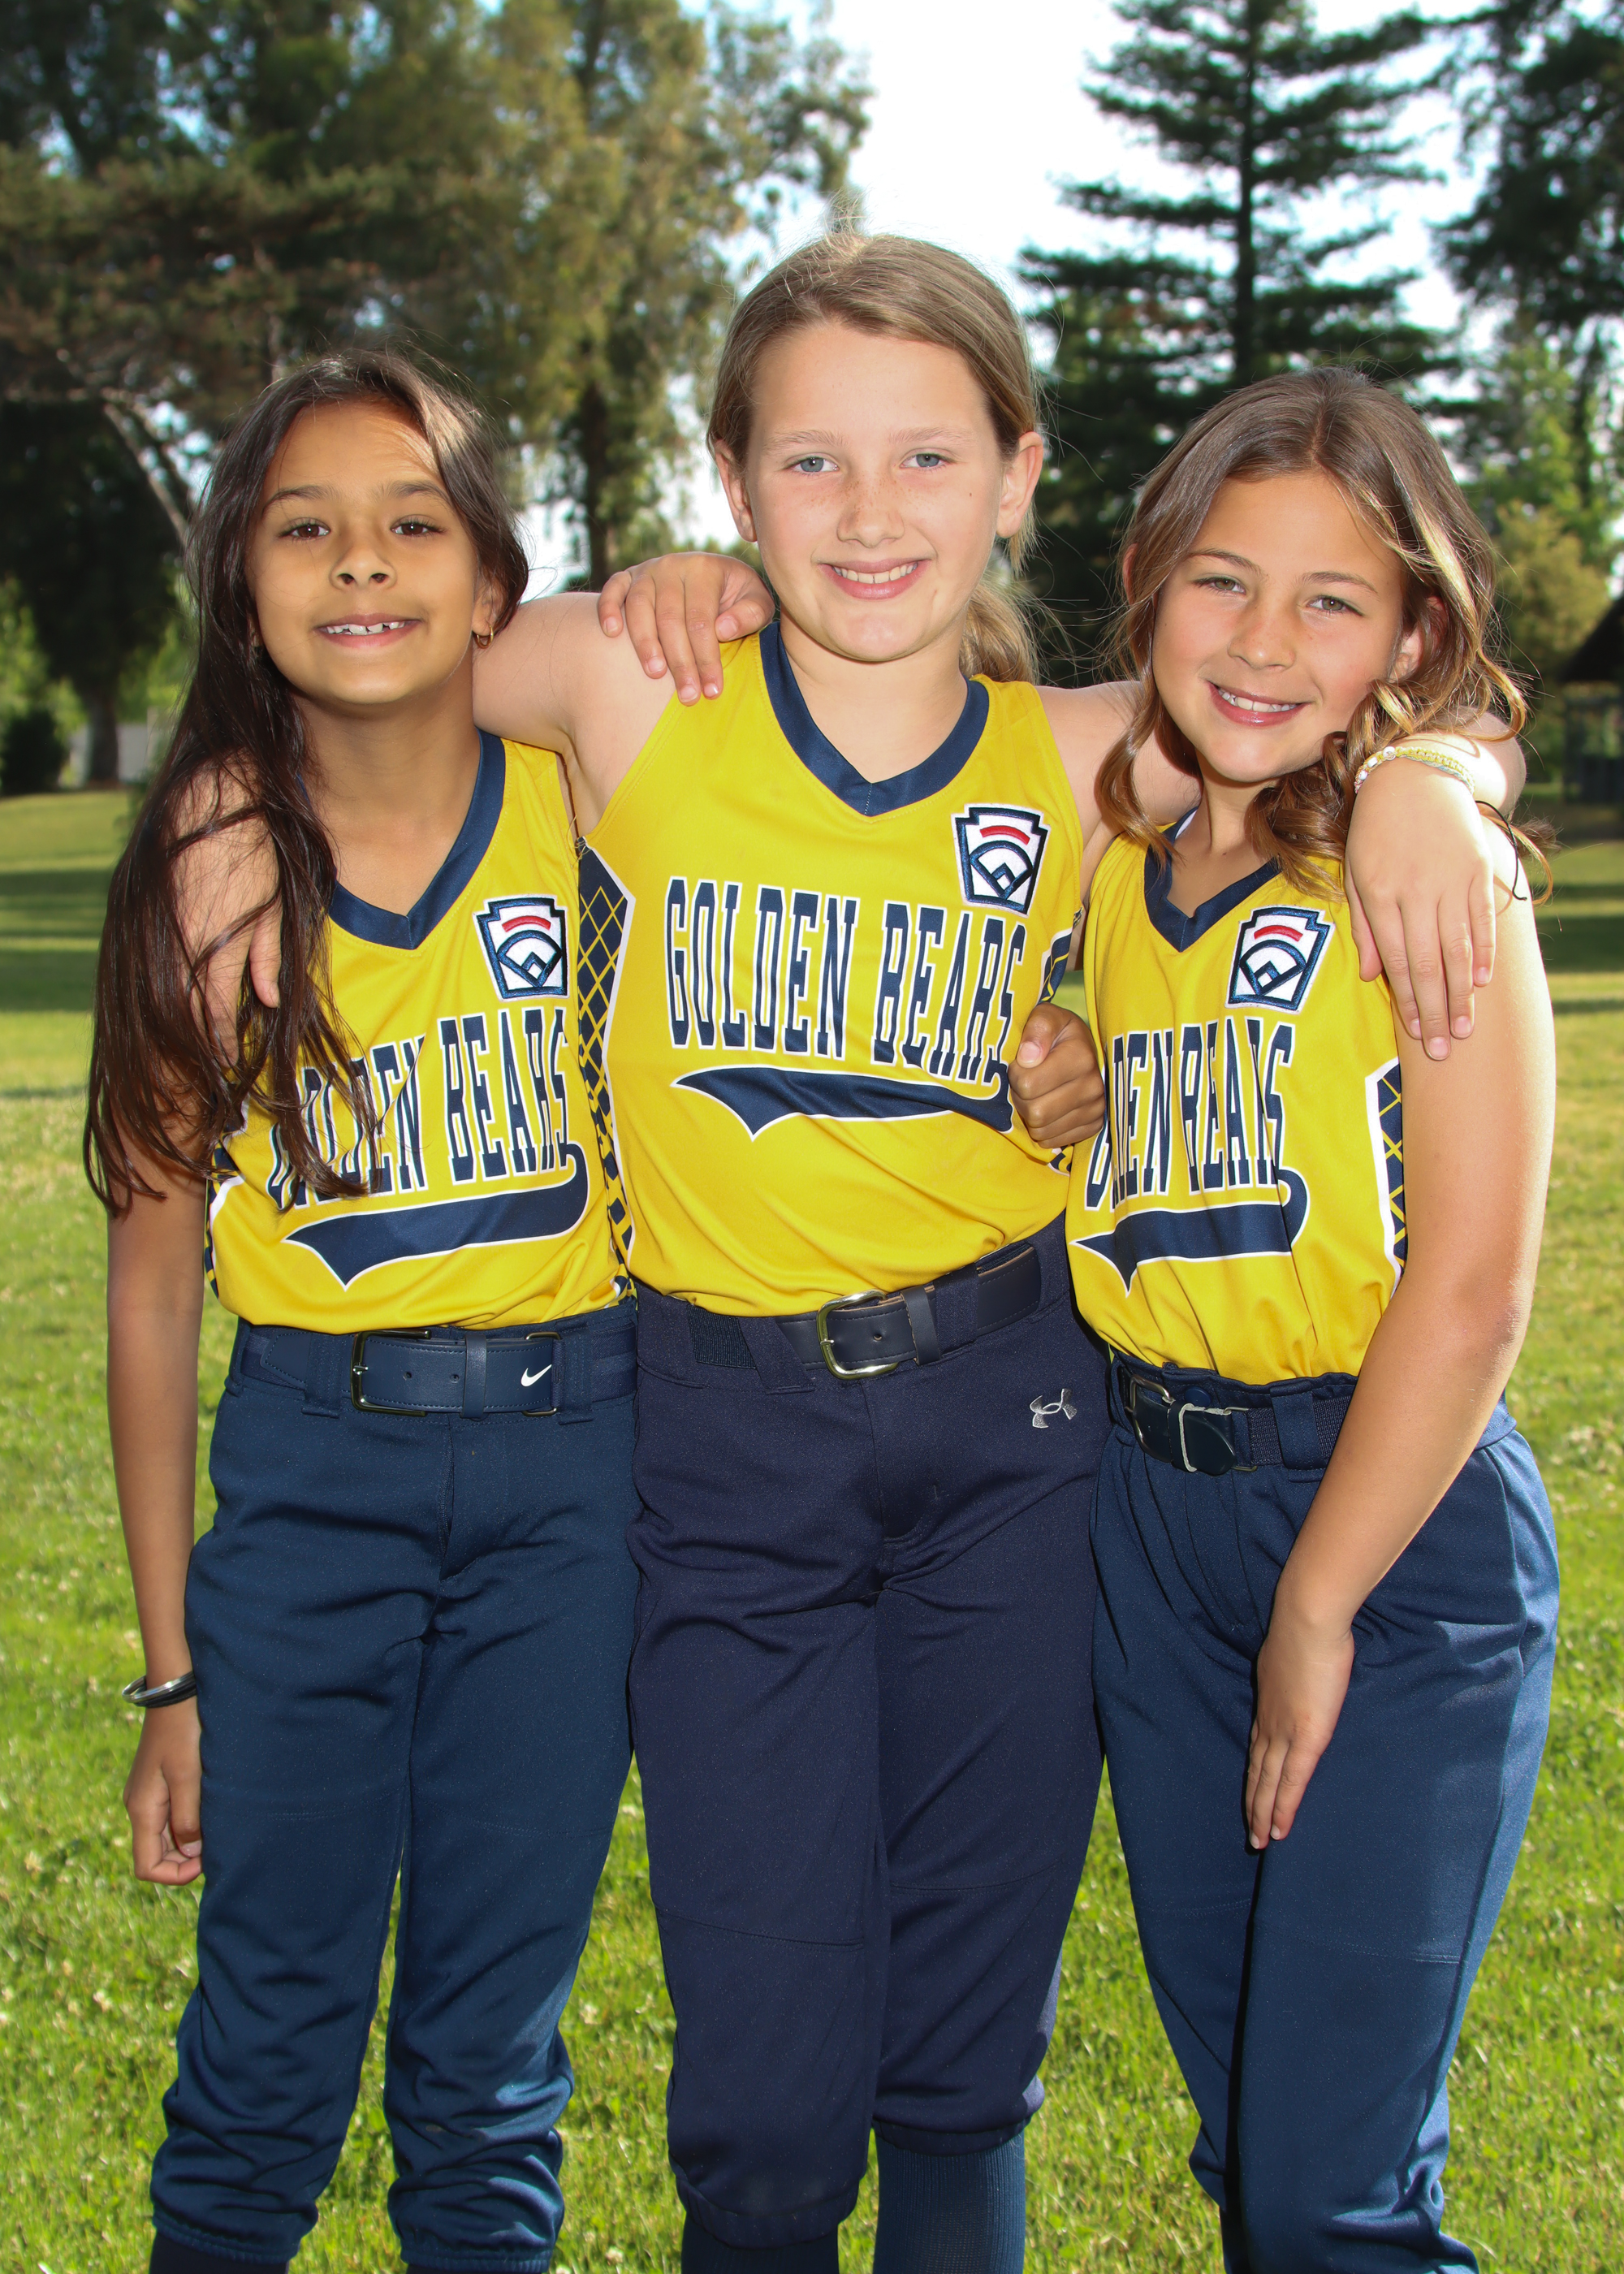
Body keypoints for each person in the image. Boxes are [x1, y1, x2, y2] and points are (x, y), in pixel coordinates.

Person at [182, 236, 1523, 2274]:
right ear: (730, 478)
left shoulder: (1089, 750)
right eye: (810, 461)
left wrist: (1436, 772)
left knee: (966, 2052)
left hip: (1013, 1432)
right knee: (767, 2078)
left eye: (925, 456)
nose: (869, 510)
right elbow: (362, 636)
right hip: (723, 1443)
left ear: (1019, 474)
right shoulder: (625, 677)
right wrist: (220, 790)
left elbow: (1347, 701)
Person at [88, 351, 646, 2274]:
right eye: (305, 526)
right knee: (263, 2046)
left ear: (494, 575)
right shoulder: (212, 867)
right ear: (241, 576)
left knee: (489, 2072)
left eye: (414, 520)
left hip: (575, 1469)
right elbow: (151, 1284)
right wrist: (173, 1673)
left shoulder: (598, 795)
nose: (360, 561)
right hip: (313, 1468)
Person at [1067, 368, 1557, 2273]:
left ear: (1409, 638)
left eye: (1330, 600)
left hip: (1382, 1528)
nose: (1263, 642)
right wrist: (1054, 1079)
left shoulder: (1417, 867)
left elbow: (1475, 1288)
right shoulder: (1118, 852)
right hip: (1150, 1518)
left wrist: (1317, 1599)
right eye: (1222, 580)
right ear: (1150, 582)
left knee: (1324, 2192)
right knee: (1256, 2137)